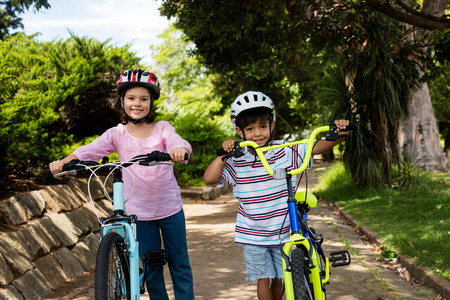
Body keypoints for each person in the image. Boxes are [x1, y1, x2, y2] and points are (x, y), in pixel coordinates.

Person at [49, 68, 195, 300]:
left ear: (151, 103)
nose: (137, 103)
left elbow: (178, 142)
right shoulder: (117, 134)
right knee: (151, 268)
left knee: (180, 265)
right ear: (122, 101)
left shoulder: (162, 129)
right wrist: (65, 162)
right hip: (139, 214)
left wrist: (179, 149)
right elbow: (90, 151)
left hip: (169, 209)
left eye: (143, 99)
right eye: (131, 98)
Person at [203, 91, 350, 300]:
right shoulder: (237, 161)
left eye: (263, 126)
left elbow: (314, 147)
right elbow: (209, 178)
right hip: (254, 233)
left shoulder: (284, 150)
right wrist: (223, 156)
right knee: (264, 279)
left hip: (284, 230)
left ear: (272, 126)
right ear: (239, 131)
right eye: (250, 128)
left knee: (284, 276)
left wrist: (339, 134)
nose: (258, 133)